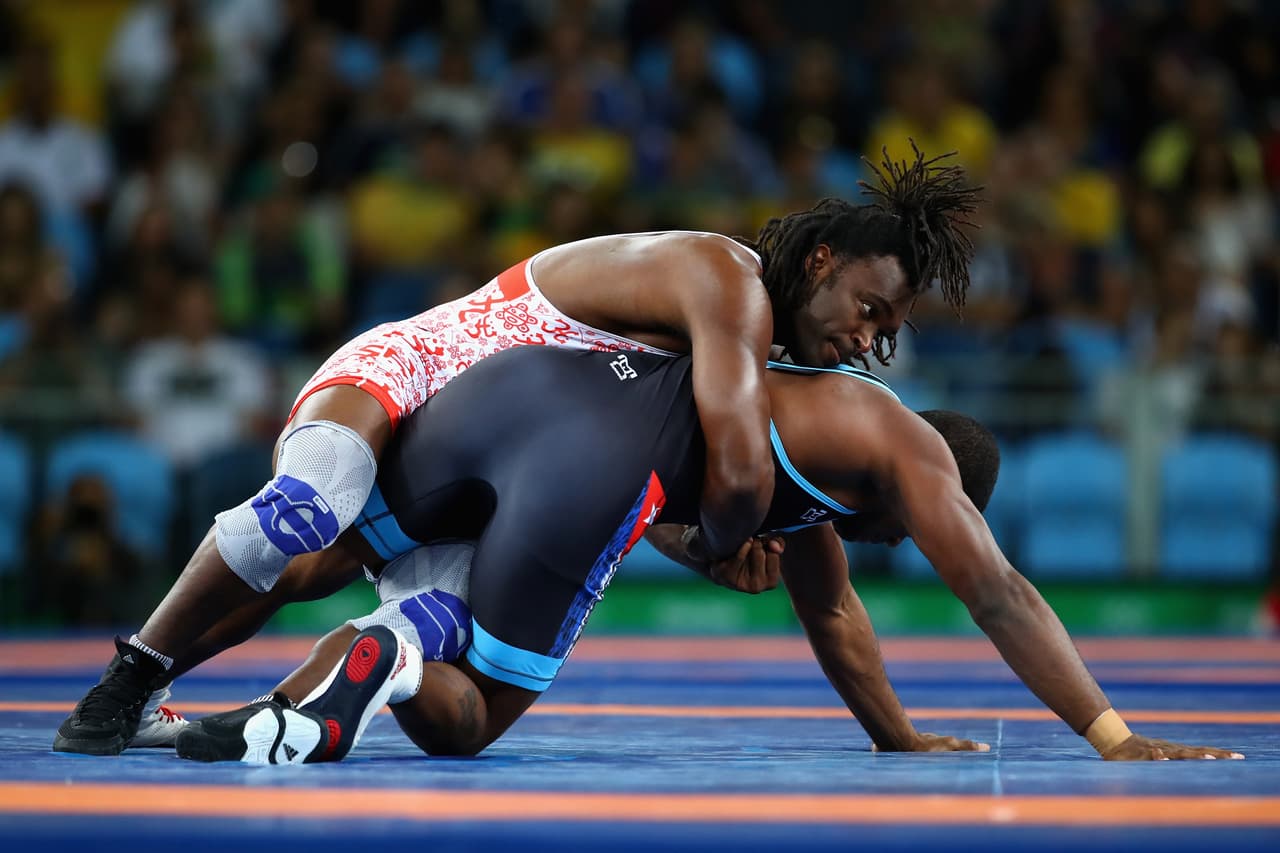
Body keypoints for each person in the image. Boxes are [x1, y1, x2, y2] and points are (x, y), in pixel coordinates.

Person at [55, 145, 983, 756]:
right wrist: (714, 545)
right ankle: (134, 674)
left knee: (399, 622)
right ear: (820, 262)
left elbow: (653, 481)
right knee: (312, 513)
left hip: (500, 452)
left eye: (888, 331)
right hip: (424, 366)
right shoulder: (727, 282)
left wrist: (705, 542)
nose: (870, 341)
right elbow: (742, 493)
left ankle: (280, 701)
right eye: (871, 313)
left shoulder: (749, 369)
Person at [174, 346, 1242, 764]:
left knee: (319, 553)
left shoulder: (818, 478)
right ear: (942, 493)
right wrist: (1107, 732)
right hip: (591, 466)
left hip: (512, 414)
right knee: (467, 717)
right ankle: (394, 653)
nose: (903, 541)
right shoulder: (906, 448)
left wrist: (899, 737)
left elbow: (831, 616)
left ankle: (176, 686)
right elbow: (999, 592)